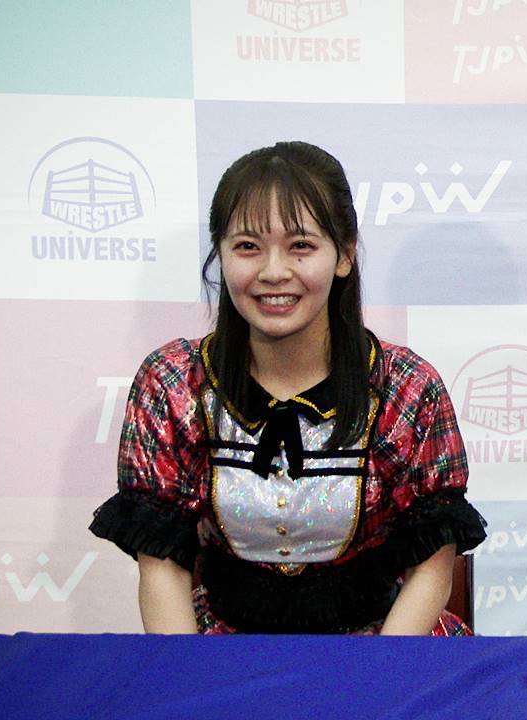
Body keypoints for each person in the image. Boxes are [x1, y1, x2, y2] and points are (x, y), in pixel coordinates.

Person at [90, 141, 486, 634]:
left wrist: (376, 674)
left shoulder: (406, 388)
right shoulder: (173, 383)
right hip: (223, 645)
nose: (273, 272)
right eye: (247, 247)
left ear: (344, 255)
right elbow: (162, 567)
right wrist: (192, 675)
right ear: (220, 255)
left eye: (301, 246)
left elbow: (431, 566)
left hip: (383, 643)